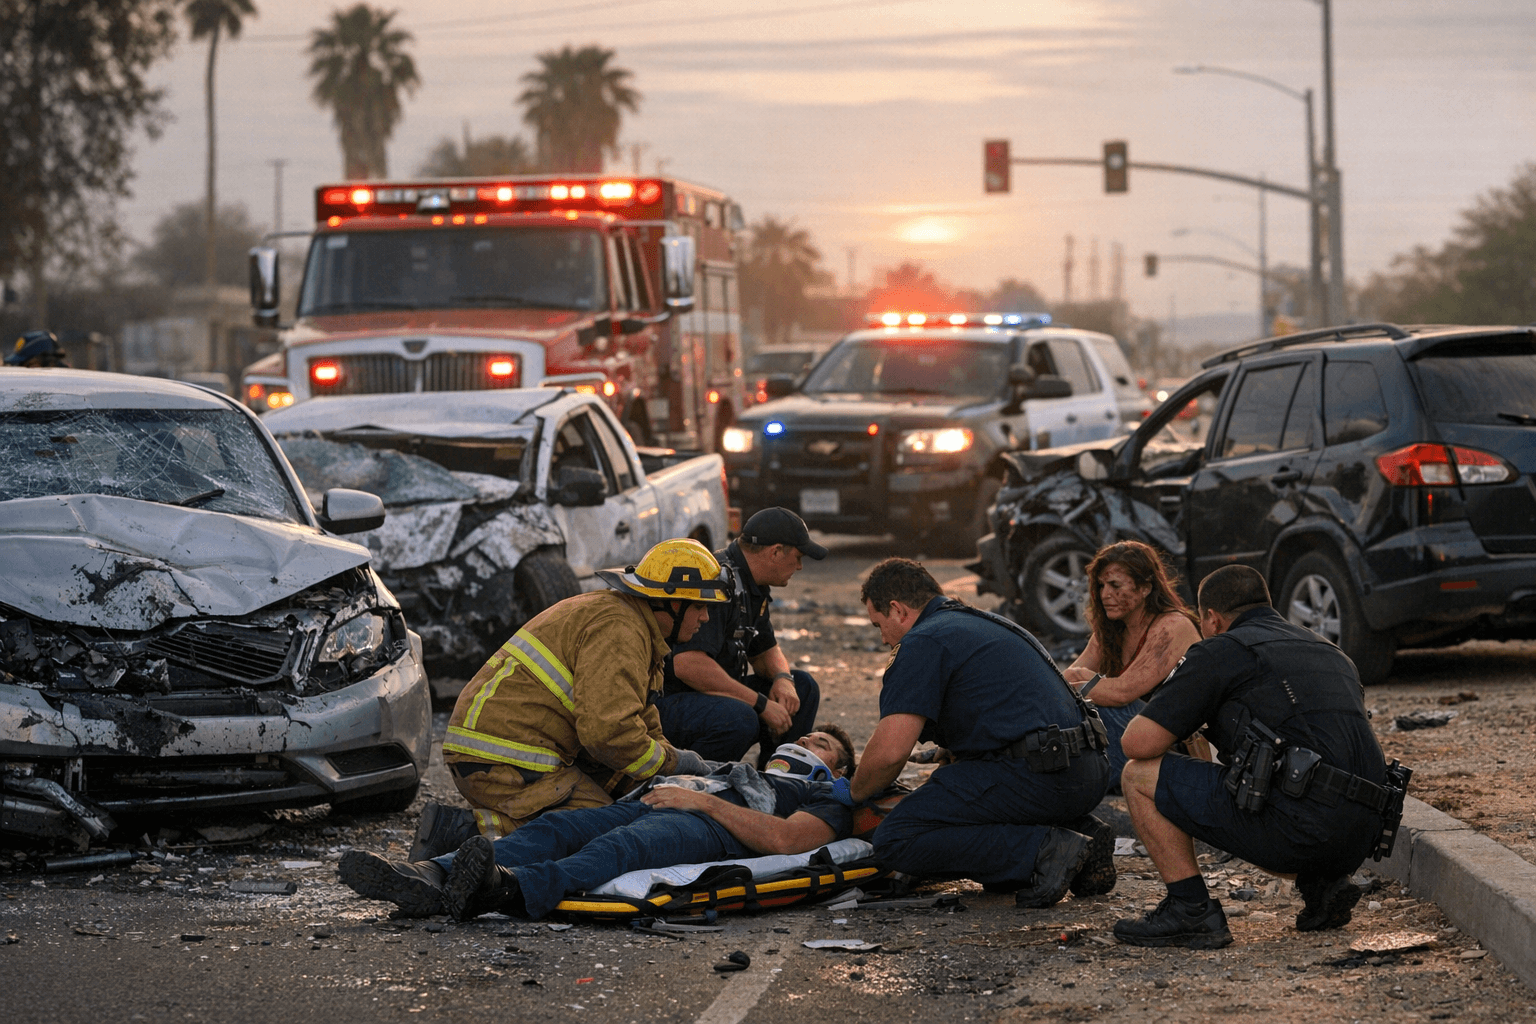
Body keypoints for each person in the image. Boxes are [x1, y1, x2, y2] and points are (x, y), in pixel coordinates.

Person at [1114, 565, 1401, 949]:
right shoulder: (1328, 649)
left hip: (1299, 831)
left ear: (1212, 618)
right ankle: (1324, 885)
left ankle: (1190, 909)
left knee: (1138, 775)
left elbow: (1137, 743)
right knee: (1281, 780)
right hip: (1364, 834)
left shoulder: (1221, 649)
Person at [412, 539, 733, 861]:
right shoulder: (620, 630)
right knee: (604, 832)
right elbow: (609, 733)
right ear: (669, 603)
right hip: (507, 758)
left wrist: (676, 770)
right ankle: (461, 832)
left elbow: (639, 717)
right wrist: (674, 763)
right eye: (699, 606)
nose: (705, 617)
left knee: (631, 803)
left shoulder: (634, 626)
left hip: (512, 750)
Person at [337, 726, 860, 920]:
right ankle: (430, 876)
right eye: (810, 736)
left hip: (716, 827)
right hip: (663, 799)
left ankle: (505, 891)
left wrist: (703, 805)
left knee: (623, 846)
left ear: (837, 768)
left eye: (823, 745)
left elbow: (791, 841)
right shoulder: (737, 769)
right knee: (556, 830)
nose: (808, 743)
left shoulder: (823, 794)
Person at [845, 558, 1114, 907]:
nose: (882, 639)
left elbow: (889, 755)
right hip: (1086, 772)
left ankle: (1044, 851)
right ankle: (1083, 835)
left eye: (879, 625)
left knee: (898, 838)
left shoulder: (923, 640)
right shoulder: (983, 623)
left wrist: (852, 792)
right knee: (952, 792)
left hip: (1041, 777)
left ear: (898, 610)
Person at [656, 507, 825, 764]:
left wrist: (782, 678)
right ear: (776, 552)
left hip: (707, 697)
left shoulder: (752, 584)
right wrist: (760, 704)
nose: (800, 567)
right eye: (798, 557)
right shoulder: (719, 580)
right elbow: (687, 665)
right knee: (739, 717)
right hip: (667, 701)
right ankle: (694, 784)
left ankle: (778, 778)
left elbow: (765, 649)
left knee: (802, 686)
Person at [1061, 541, 1203, 790]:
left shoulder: (1172, 626)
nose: (1105, 594)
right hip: (1137, 739)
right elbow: (1065, 679)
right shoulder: (1110, 629)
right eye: (1101, 585)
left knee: (1097, 709)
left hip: (1179, 747)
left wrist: (1082, 680)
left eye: (1115, 585)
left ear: (1145, 588)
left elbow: (1122, 692)